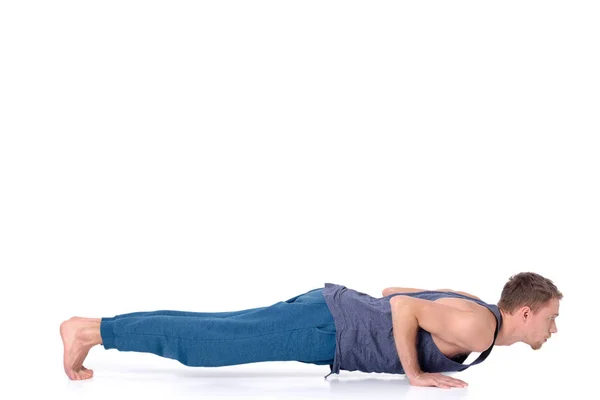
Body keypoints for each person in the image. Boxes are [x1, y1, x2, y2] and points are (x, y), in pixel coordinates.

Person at [60, 271, 561, 389]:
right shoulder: (478, 325)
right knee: (209, 346)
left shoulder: (476, 313)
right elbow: (404, 305)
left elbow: (391, 294)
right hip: (328, 327)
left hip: (328, 315)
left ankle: (96, 328)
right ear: (525, 312)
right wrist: (415, 373)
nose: (553, 328)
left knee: (214, 332)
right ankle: (90, 331)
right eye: (551, 316)